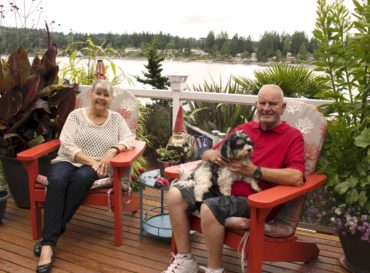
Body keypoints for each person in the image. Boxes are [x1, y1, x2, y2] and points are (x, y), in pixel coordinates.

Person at [162, 84, 305, 273]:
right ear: (256, 104)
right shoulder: (245, 129)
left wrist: (254, 171)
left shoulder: (293, 136)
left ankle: (214, 269)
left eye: (273, 103)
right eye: (262, 103)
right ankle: (185, 259)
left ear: (283, 108)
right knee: (174, 194)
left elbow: (296, 177)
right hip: (221, 189)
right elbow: (210, 153)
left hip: (256, 202)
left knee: (210, 207)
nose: (266, 108)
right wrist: (211, 154)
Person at [34, 80, 135, 273]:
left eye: (106, 95)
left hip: (95, 166)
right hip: (69, 159)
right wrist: (92, 161)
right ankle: (49, 243)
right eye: (98, 93)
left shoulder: (116, 119)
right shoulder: (76, 116)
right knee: (57, 181)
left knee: (81, 180)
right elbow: (67, 143)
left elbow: (129, 139)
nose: (102, 98)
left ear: (111, 99)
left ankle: (48, 241)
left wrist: (111, 151)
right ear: (90, 95)